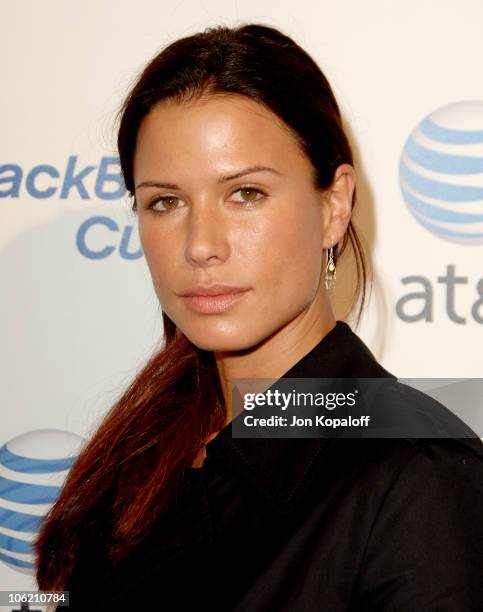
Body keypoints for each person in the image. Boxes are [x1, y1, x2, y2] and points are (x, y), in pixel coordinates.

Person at [35, 23, 483, 611]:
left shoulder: (418, 476)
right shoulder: (144, 456)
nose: (201, 245)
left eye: (245, 194)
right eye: (165, 202)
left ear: (334, 205)